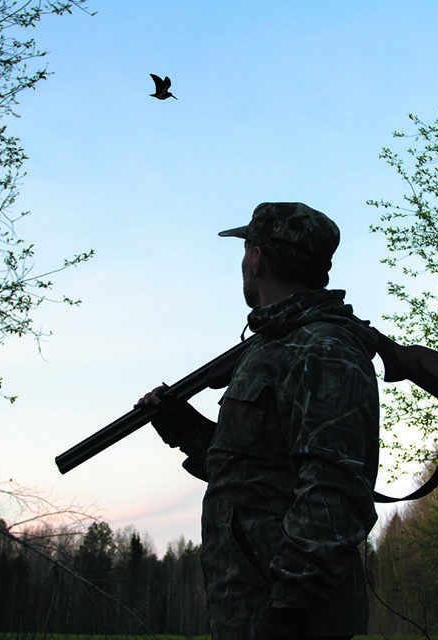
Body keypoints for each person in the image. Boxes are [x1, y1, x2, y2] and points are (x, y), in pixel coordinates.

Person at [136, 202, 380, 640]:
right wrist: (184, 430)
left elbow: (335, 494)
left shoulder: (323, 348)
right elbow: (251, 475)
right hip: (248, 607)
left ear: (257, 257)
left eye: (246, 249)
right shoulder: (268, 349)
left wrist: (287, 609)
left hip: (293, 620)